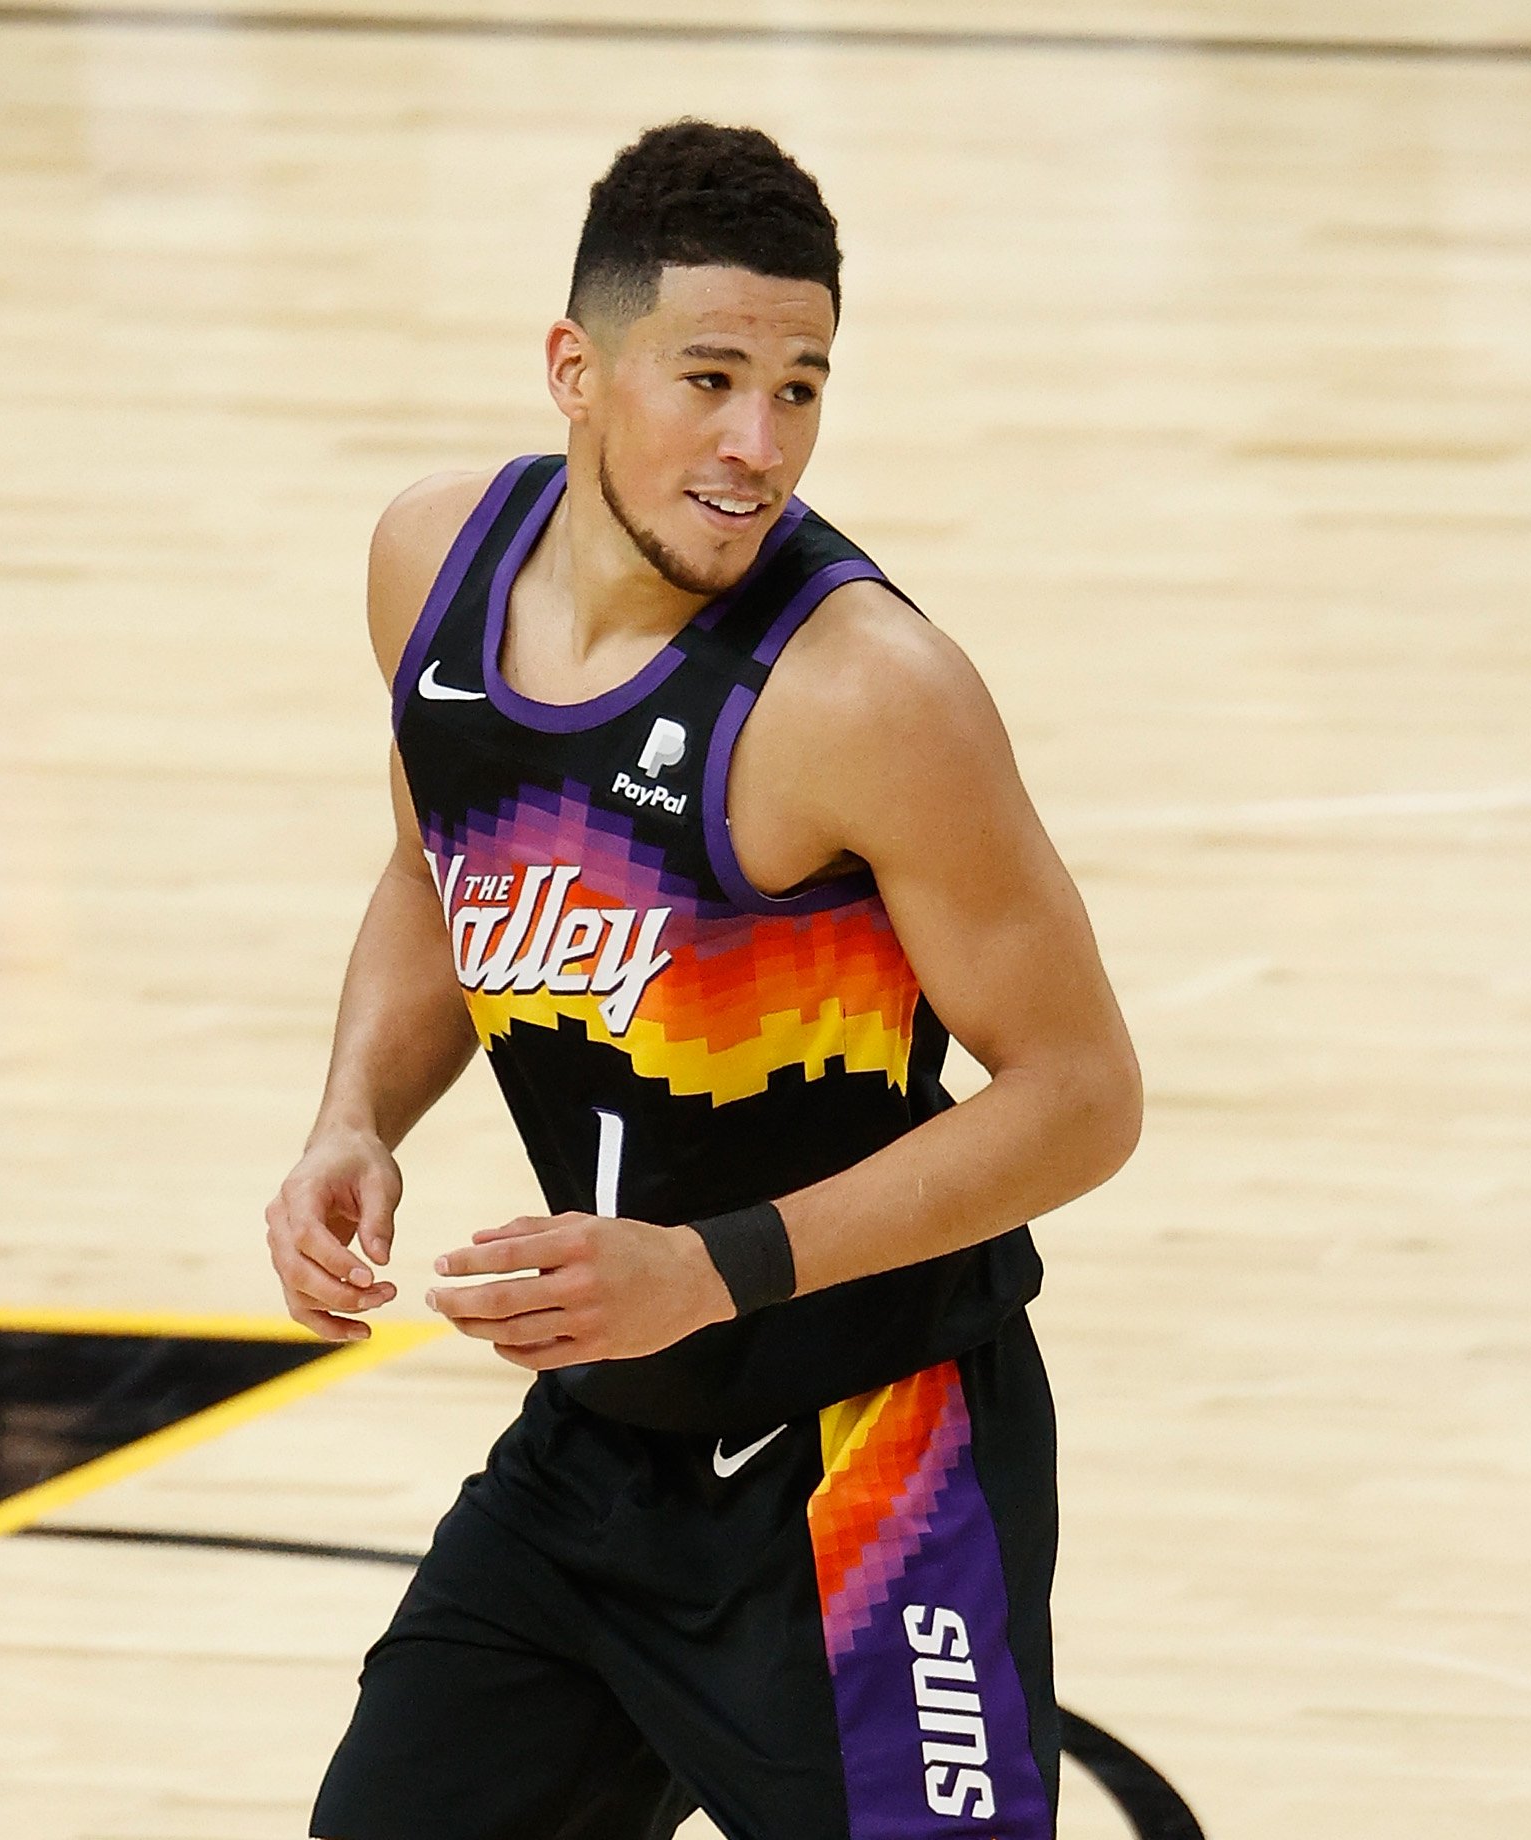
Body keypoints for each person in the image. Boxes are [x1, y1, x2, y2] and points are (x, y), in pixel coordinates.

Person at [260, 119, 1141, 1840]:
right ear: (576, 370)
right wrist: (354, 1115)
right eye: (712, 377)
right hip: (605, 1440)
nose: (759, 446)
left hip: (870, 1452)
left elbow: (1080, 1096)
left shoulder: (869, 695)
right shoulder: (430, 571)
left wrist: (709, 1271)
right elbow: (440, 871)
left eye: (802, 388)